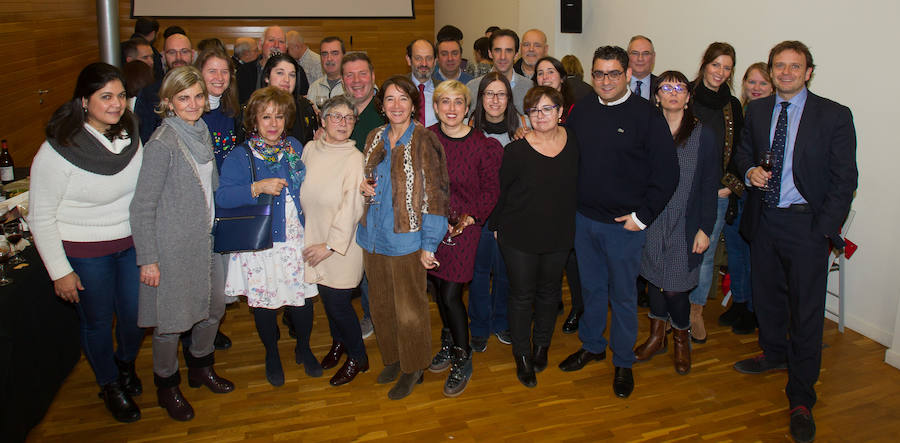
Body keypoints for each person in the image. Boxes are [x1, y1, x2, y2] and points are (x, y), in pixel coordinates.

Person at [733, 41, 857, 443]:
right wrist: (750, 169)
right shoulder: (758, 110)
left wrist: (824, 230)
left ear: (808, 72)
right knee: (767, 297)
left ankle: (801, 395)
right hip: (765, 220)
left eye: (794, 66)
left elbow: (845, 180)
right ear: (771, 72)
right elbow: (743, 154)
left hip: (806, 226)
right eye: (779, 66)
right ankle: (773, 353)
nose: (785, 72)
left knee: (805, 313)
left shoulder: (834, 115)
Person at [29, 62, 144, 423]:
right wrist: (60, 272)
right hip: (85, 252)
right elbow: (40, 217)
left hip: (130, 244)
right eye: (105, 96)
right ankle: (109, 384)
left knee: (135, 317)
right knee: (96, 322)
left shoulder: (130, 135)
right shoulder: (57, 151)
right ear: (84, 100)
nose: (116, 104)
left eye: (121, 95)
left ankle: (124, 365)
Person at [562, 46, 678, 399]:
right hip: (584, 222)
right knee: (592, 290)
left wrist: (642, 218)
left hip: (624, 228)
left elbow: (668, 173)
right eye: (599, 74)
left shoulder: (647, 116)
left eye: (613, 73)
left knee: (623, 297)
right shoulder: (581, 110)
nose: (605, 80)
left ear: (628, 74)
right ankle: (593, 345)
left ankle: (623, 361)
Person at [130, 66, 235, 422]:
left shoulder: (201, 132)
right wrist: (148, 258)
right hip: (172, 246)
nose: (192, 104)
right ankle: (167, 384)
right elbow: (142, 205)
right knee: (170, 323)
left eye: (198, 96)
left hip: (206, 240)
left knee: (214, 307)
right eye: (183, 98)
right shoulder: (163, 143)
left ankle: (200, 366)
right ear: (168, 103)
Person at [216, 86, 321, 386]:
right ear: (254, 121)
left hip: (296, 238)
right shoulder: (241, 155)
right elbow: (222, 197)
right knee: (265, 304)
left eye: (278, 116)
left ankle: (304, 347)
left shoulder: (297, 148)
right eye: (266, 117)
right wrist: (256, 187)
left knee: (302, 301)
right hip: (261, 244)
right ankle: (272, 353)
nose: (273, 123)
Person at [357, 75, 449, 400]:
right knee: (381, 305)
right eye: (390, 99)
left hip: (408, 239)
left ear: (413, 104)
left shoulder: (425, 140)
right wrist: (363, 187)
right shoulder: (374, 136)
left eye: (403, 99)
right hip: (372, 237)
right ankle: (395, 358)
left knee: (410, 308)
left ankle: (414, 367)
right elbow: (368, 178)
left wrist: (429, 244)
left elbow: (437, 195)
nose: (396, 106)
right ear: (382, 105)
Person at [633, 71, 720, 375]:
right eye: (666, 88)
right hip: (652, 221)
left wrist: (705, 228)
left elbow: (710, 185)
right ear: (656, 96)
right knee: (655, 281)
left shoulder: (703, 135)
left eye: (679, 88)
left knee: (674, 289)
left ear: (687, 97)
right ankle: (657, 337)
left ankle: (681, 339)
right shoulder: (647, 131)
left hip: (686, 223)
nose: (673, 93)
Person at [491, 86, 578, 388]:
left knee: (549, 293)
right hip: (519, 235)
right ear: (526, 115)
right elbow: (500, 193)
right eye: (534, 110)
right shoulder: (515, 150)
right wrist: (496, 226)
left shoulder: (574, 143)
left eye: (547, 109)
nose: (540, 116)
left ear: (560, 111)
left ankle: (542, 345)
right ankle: (522, 354)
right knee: (521, 295)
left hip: (559, 232)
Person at [425, 80, 502, 397]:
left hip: (465, 227)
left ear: (467, 107)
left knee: (452, 293)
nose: (452, 108)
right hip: (433, 226)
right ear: (436, 106)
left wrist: (470, 218)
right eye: (445, 102)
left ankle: (462, 354)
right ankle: (448, 339)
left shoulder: (483, 146)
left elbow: (491, 191)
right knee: (439, 288)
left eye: (458, 102)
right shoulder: (426, 139)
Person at [300, 95, 368, 386]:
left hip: (342, 246)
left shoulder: (354, 158)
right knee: (328, 302)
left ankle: (358, 357)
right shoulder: (310, 149)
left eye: (349, 118)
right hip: (314, 236)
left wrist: (329, 246)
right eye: (336, 116)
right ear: (323, 121)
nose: (343, 123)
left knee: (339, 304)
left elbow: (353, 207)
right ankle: (338, 343)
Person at [687, 42, 745, 344]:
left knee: (706, 255)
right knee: (676, 250)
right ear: (705, 64)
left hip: (716, 193)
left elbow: (739, 150)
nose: (720, 72)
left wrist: (729, 185)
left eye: (727, 67)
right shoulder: (685, 95)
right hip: (681, 190)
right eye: (716, 65)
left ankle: (694, 314)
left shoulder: (732, 106)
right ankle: (672, 310)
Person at [467, 72, 523, 352]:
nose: (495, 100)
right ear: (481, 98)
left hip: (510, 218)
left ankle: (501, 322)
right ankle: (478, 326)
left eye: (501, 94)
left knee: (505, 273)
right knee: (478, 273)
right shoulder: (470, 130)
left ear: (509, 99)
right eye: (489, 94)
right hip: (479, 217)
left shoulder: (521, 132)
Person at [529, 56, 584, 333]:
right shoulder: (534, 110)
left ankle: (578, 306)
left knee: (572, 257)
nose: (545, 76)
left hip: (572, 194)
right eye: (540, 73)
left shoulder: (579, 108)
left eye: (551, 71)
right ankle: (552, 302)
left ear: (562, 77)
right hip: (544, 198)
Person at [719, 62, 774, 335]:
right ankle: (739, 303)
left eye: (763, 83)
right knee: (737, 253)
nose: (756, 88)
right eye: (751, 82)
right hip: (736, 194)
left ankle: (753, 309)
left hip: (759, 199)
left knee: (754, 257)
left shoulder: (775, 115)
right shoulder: (738, 113)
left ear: (773, 86)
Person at [342, 52, 386, 339]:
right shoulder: (339, 112)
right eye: (350, 75)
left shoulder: (386, 111)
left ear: (372, 76)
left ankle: (374, 317)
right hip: (346, 202)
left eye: (362, 74)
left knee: (373, 270)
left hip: (378, 204)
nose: (356, 81)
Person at [135, 33, 194, 142]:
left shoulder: (204, 89)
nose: (178, 58)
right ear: (163, 55)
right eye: (172, 52)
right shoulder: (149, 93)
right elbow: (144, 138)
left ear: (193, 54)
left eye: (184, 51)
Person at [467, 29, 533, 116]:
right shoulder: (473, 88)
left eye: (508, 51)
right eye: (498, 50)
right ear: (490, 53)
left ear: (516, 55)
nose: (503, 57)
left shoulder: (529, 88)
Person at [236, 26, 308, 104]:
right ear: (260, 45)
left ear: (286, 48)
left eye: (281, 41)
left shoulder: (297, 71)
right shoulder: (244, 71)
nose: (276, 45)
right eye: (271, 40)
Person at [196, 48, 241, 170]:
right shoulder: (192, 115)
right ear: (199, 73)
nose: (219, 78)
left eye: (224, 72)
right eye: (212, 71)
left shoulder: (233, 112)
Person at [262, 53, 320, 144]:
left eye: (292, 75)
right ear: (266, 77)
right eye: (280, 73)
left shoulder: (305, 107)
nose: (287, 79)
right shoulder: (253, 108)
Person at [406, 39, 438, 127]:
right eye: (418, 58)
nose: (424, 63)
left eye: (429, 58)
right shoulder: (398, 87)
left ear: (435, 61)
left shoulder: (444, 90)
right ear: (409, 60)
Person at [307, 36, 346, 107]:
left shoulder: (353, 86)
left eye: (335, 53)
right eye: (324, 54)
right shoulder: (314, 88)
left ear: (344, 56)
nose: (329, 58)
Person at [626, 35, 658, 101]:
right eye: (635, 53)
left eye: (646, 53)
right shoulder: (616, 84)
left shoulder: (661, 86)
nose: (640, 59)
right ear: (627, 56)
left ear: (653, 57)